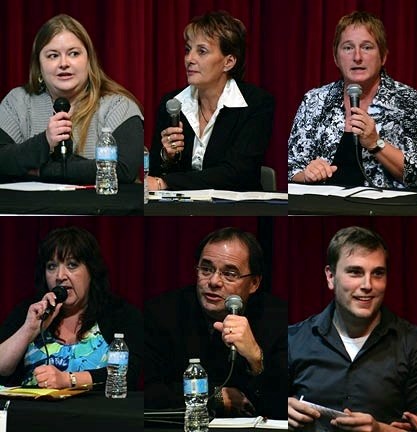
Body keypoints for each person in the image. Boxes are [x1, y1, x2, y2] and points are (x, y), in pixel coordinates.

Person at [288, 226, 417, 431]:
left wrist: (379, 429)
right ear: (330, 276)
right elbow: (262, 413)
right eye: (355, 272)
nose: (367, 285)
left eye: (378, 274)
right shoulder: (294, 340)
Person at [144, 227, 287, 419]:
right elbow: (148, 391)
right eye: (206, 269)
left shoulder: (278, 318)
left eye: (229, 273)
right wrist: (216, 397)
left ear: (254, 283)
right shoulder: (162, 313)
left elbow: (282, 404)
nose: (213, 281)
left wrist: (256, 359)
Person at [287, 11, 417, 189]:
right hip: (324, 208)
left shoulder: (407, 100)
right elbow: (292, 168)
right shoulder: (314, 100)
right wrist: (307, 175)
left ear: (383, 56)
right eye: (348, 47)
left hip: (384, 210)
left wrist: (375, 143)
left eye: (367, 47)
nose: (357, 57)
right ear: (335, 57)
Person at [0, 14, 143, 185]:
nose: (64, 63)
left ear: (89, 60)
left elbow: (123, 170)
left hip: (98, 210)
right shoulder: (17, 102)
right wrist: (45, 141)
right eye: (53, 55)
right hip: (34, 210)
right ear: (38, 64)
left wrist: (45, 171)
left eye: (73, 54)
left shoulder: (119, 106)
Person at [0, 226, 142, 391]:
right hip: (33, 414)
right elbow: (2, 369)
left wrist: (69, 380)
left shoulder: (119, 313)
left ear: (91, 270)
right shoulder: (30, 311)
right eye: (52, 266)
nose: (60, 276)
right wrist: (29, 330)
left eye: (72, 265)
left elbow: (129, 373)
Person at [148, 11, 274, 192]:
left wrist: (166, 183)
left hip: (237, 211)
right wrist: (167, 156)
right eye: (187, 50)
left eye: (202, 51)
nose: (189, 59)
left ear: (228, 62)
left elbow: (237, 173)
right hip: (181, 211)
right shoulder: (172, 103)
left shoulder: (256, 104)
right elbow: (153, 173)